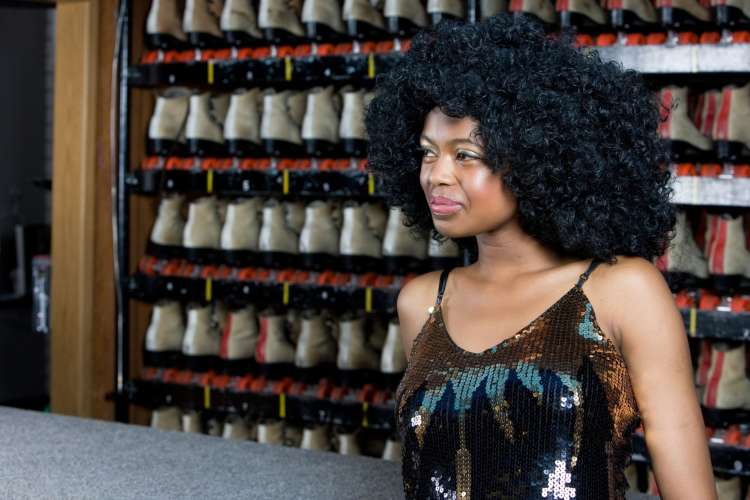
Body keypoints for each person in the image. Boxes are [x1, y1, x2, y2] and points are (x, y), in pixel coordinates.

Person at [364, 12, 716, 500]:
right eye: (427, 153)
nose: (436, 176)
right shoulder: (423, 302)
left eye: (465, 155)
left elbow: (675, 443)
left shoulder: (620, 290)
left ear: (535, 158)